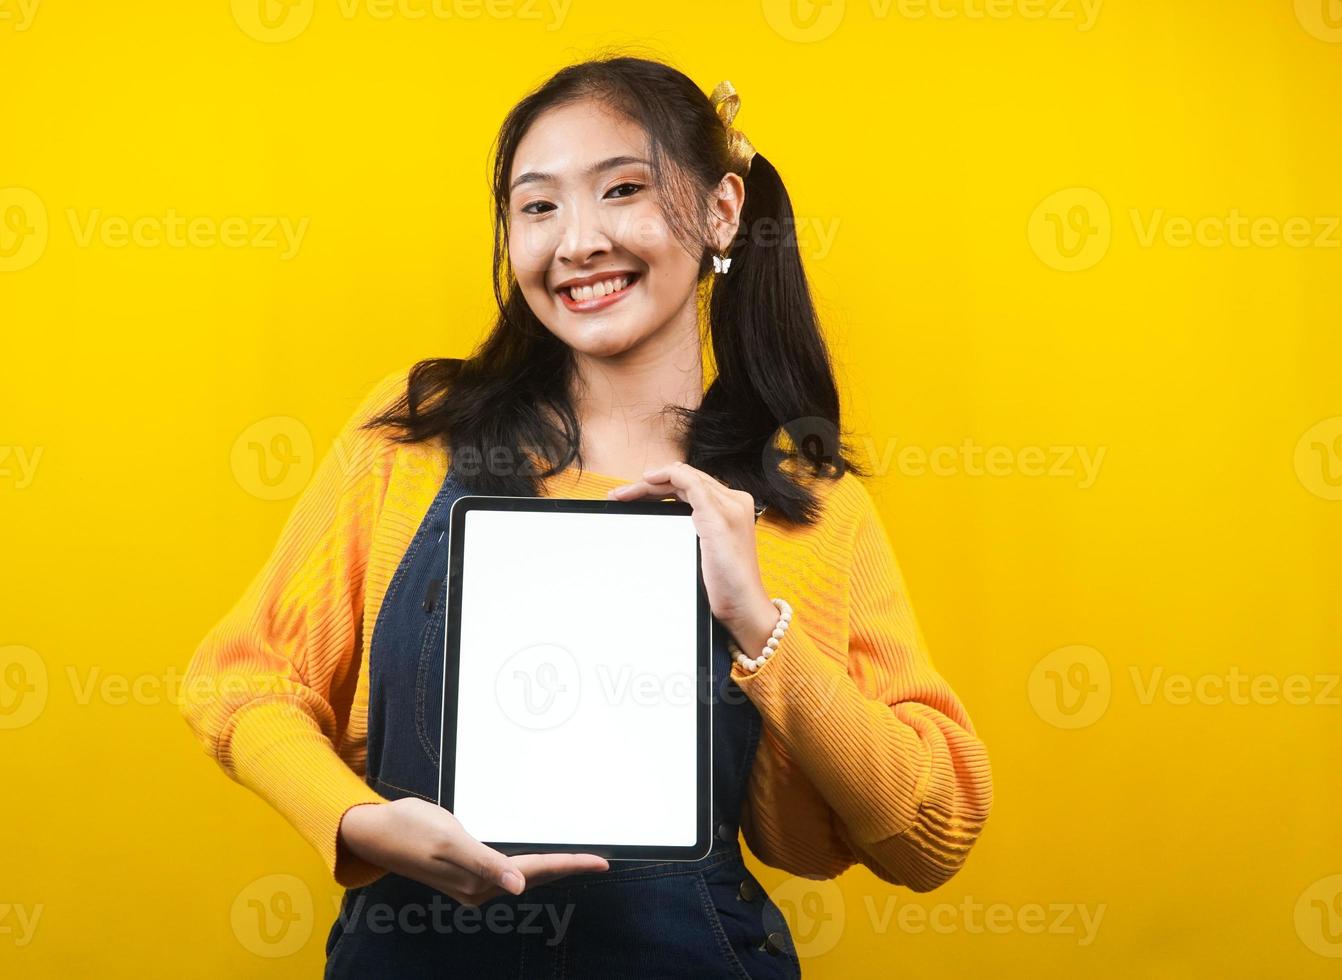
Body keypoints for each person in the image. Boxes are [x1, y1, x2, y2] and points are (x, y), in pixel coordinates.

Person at [180, 55, 993, 979]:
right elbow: (241, 681)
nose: (577, 242)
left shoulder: (803, 506)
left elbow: (934, 835)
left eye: (622, 190)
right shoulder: (415, 436)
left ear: (722, 211)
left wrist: (759, 625)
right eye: (539, 206)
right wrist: (360, 821)